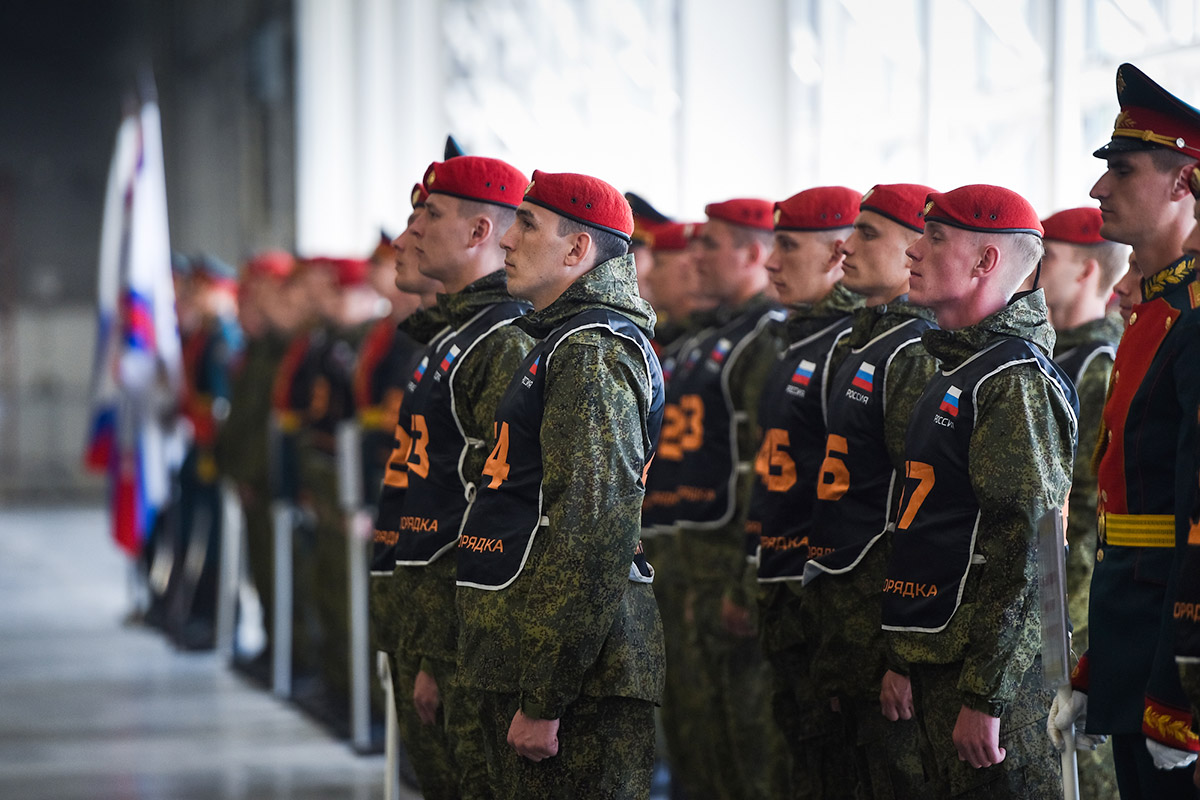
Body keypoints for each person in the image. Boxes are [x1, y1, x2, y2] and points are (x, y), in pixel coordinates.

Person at [455, 170, 664, 798]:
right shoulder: (559, 341)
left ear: (578, 251)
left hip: (581, 681)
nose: (507, 242)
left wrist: (546, 694)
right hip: (554, 662)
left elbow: (591, 533)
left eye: (528, 226)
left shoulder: (589, 353)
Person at [879, 184, 1077, 798]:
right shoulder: (960, 368)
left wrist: (987, 695)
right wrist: (905, 657)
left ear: (986, 262)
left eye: (934, 237)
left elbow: (1032, 547)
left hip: (991, 687)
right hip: (943, 664)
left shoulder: (1012, 378)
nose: (912, 250)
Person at [1051, 63, 1200, 797]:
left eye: (1122, 170)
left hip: (1180, 672)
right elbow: (1129, 521)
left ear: (1184, 184)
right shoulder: (1152, 317)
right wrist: (1098, 666)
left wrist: (1179, 698)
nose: (1098, 188)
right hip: (1136, 647)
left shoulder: (1192, 322)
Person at [387, 155, 533, 799]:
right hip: (425, 616)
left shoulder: (498, 340)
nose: (410, 230)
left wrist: (442, 652)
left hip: (458, 631)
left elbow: (490, 510)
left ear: (479, 233)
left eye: (430, 213)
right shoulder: (452, 335)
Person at [801, 183, 938, 799]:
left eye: (867, 233)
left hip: (882, 620)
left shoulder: (915, 350)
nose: (845, 247)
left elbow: (923, 512)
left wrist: (901, 656)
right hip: (846, 611)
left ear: (917, 246)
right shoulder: (864, 339)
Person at [745, 185, 863, 798]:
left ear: (838, 252)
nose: (770, 262)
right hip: (784, 585)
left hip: (820, 598)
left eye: (787, 246)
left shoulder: (849, 346)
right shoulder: (801, 340)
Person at [669, 196, 788, 799]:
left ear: (751, 253)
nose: (695, 256)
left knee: (747, 748)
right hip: (691, 557)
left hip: (727, 561)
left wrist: (744, 581)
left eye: (709, 244)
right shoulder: (711, 336)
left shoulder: (765, 338)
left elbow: (764, 467)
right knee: (703, 740)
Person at [1037, 207, 1126, 799]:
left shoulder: (1099, 367)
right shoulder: (1052, 356)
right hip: (1046, 599)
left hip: (1071, 612)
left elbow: (1094, 518)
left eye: (1047, 260)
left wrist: (1068, 631)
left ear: (1089, 270)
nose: (1033, 273)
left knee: (1081, 775)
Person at [216, 249, 295, 676]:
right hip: (254, 475)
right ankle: (272, 642)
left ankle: (291, 655)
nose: (253, 305)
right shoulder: (258, 349)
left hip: (271, 477)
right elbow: (243, 419)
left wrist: (252, 472)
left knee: (283, 571)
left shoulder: (284, 349)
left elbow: (272, 423)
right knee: (262, 568)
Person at [170, 253, 243, 649]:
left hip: (213, 446)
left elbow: (222, 402)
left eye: (202, 289)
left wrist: (214, 450)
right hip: (199, 442)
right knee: (197, 528)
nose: (193, 295)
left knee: (216, 536)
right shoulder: (205, 334)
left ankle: (217, 618)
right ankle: (196, 610)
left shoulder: (223, 338)